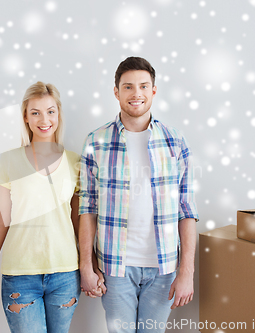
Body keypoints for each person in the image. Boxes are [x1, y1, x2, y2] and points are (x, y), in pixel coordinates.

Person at [78, 57, 199, 333]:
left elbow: (187, 210)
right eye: (128, 87)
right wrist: (87, 265)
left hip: (163, 268)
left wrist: (186, 272)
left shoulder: (175, 141)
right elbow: (87, 208)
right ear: (116, 92)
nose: (136, 94)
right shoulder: (95, 142)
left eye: (143, 86)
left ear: (153, 90)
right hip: (115, 266)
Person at [0, 81, 101, 333]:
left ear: (58, 114)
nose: (43, 119)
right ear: (25, 116)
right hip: (20, 276)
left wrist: (90, 264)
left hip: (65, 274)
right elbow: (1, 218)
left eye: (50, 111)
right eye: (35, 112)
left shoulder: (75, 162)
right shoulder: (10, 160)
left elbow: (80, 220)